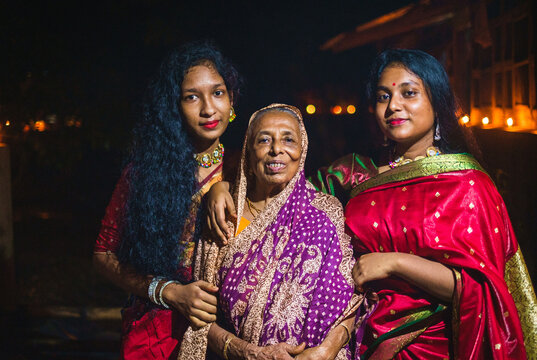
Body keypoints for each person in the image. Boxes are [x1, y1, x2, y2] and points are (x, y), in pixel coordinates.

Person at [346, 49, 535, 359]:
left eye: (409, 93)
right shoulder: (358, 174)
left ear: (437, 101)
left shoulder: (467, 184)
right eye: (383, 97)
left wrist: (394, 262)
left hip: (436, 345)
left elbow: (481, 289)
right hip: (362, 339)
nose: (393, 106)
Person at [178, 104, 368, 360]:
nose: (276, 149)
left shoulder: (325, 213)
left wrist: (324, 351)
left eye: (288, 139)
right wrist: (248, 353)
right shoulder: (224, 214)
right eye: (264, 139)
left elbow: (349, 300)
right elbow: (200, 316)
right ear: (248, 151)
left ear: (302, 150)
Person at [93, 41, 242, 359]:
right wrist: (170, 291)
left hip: (233, 333)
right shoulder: (146, 173)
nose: (208, 109)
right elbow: (103, 255)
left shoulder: (247, 169)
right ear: (174, 108)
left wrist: (222, 184)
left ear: (232, 100)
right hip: (158, 335)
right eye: (192, 97)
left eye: (218, 93)